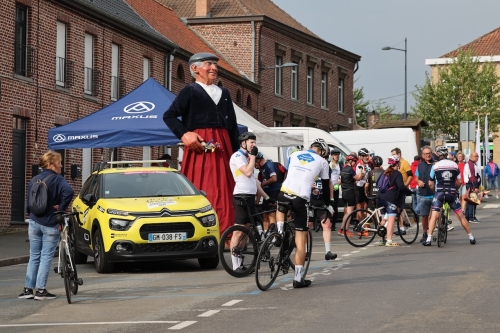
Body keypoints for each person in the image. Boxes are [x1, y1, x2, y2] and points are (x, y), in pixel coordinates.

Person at [163, 52, 239, 235]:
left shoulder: (225, 93)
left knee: (226, 188)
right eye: (208, 64)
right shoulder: (189, 91)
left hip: (224, 145)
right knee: (201, 186)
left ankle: (227, 233)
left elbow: (233, 127)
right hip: (200, 146)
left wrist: (238, 154)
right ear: (195, 68)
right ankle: (200, 232)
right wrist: (185, 134)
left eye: (215, 64)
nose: (214, 68)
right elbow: (169, 116)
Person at [276, 138, 332, 288]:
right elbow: (326, 187)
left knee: (281, 207)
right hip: (300, 198)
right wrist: (327, 204)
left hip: (283, 192)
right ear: (321, 151)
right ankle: (298, 279)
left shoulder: (294, 154)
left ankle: (278, 233)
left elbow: (287, 174)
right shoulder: (323, 162)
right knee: (301, 239)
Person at [19, 151, 74, 300]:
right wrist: (61, 207)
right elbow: (69, 191)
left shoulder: (34, 179)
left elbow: (28, 200)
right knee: (45, 257)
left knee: (34, 256)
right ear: (51, 164)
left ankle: (28, 289)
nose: (61, 166)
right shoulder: (58, 179)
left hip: (34, 222)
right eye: (59, 163)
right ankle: (41, 290)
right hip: (50, 222)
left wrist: (30, 213)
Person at [228, 132, 271, 273]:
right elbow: (247, 172)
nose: (254, 145)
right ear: (243, 143)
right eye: (251, 142)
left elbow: (255, 182)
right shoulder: (237, 156)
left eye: (254, 142)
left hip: (250, 196)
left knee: (246, 230)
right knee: (239, 230)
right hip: (241, 196)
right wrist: (252, 156)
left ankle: (240, 262)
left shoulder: (247, 158)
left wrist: (268, 197)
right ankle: (235, 265)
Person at [422, 146, 476, 246]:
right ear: (447, 154)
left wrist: (435, 192)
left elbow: (430, 183)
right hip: (451, 192)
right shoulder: (455, 165)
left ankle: (429, 239)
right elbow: (459, 181)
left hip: (439, 193)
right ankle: (471, 237)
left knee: (434, 215)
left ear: (438, 154)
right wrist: (455, 190)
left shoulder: (435, 166)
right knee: (460, 216)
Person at [376, 156, 413, 246]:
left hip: (380, 198)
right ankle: (389, 241)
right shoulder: (397, 173)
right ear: (397, 164)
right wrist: (409, 192)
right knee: (391, 219)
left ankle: (382, 240)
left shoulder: (384, 172)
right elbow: (400, 186)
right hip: (390, 199)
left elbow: (378, 184)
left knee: (384, 219)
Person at [309, 153, 337, 261]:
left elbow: (329, 183)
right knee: (308, 225)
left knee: (327, 224)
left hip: (321, 200)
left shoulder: (326, 168)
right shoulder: (310, 166)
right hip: (310, 199)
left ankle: (328, 251)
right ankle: (306, 251)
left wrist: (331, 200)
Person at [339, 153, 366, 236]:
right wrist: (361, 171)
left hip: (344, 192)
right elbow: (358, 178)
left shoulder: (343, 169)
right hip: (350, 192)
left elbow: (341, 181)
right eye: (354, 161)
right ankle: (345, 230)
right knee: (350, 213)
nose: (354, 163)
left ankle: (341, 229)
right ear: (351, 161)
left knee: (347, 212)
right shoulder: (350, 169)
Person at [255, 152, 282, 230]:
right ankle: (265, 236)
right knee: (264, 215)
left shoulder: (269, 165)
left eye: (255, 163)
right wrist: (257, 201)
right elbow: (260, 187)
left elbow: (274, 178)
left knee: (271, 214)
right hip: (266, 194)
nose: (255, 166)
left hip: (274, 191)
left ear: (258, 160)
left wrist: (263, 183)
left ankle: (274, 236)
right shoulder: (261, 170)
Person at [414, 146, 435, 243]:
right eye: (426, 154)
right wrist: (418, 182)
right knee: (424, 216)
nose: (428, 155)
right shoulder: (420, 165)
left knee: (433, 216)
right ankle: (425, 233)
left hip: (434, 194)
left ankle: (431, 234)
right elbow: (416, 177)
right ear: (423, 155)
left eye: (429, 153)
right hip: (423, 194)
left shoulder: (435, 164)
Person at [464, 151, 481, 223]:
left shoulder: (471, 164)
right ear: (471, 157)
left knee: (470, 201)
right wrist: (475, 187)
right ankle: (472, 217)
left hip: (470, 185)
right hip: (472, 185)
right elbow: (472, 177)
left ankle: (467, 216)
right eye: (476, 156)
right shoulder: (471, 165)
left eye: (478, 156)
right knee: (473, 201)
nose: (477, 158)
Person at [354, 148, 371, 219]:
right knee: (359, 206)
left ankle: (364, 222)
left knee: (365, 206)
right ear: (361, 157)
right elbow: (358, 177)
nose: (367, 157)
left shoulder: (368, 165)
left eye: (368, 155)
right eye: (365, 156)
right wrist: (362, 174)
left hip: (366, 187)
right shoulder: (359, 165)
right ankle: (360, 223)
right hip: (359, 187)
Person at [329, 148, 342, 230]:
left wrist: (338, 183)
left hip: (336, 187)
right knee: (329, 205)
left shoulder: (340, 165)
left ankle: (333, 225)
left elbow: (343, 176)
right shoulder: (328, 164)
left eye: (337, 155)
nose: (336, 156)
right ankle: (327, 222)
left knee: (335, 206)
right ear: (332, 156)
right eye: (335, 155)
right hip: (329, 186)